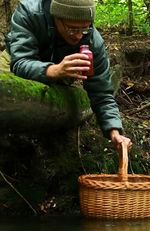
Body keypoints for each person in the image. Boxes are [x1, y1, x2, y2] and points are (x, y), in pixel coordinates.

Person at [1, 0, 132, 151]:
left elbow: (101, 91)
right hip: (15, 62)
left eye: (84, 29)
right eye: (72, 29)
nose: (78, 36)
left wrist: (114, 131)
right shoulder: (29, 13)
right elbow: (20, 62)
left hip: (62, 70)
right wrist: (53, 70)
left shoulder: (92, 41)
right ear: (56, 17)